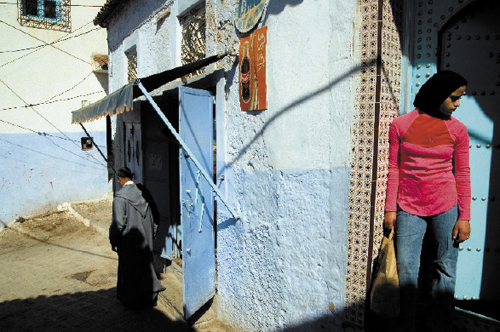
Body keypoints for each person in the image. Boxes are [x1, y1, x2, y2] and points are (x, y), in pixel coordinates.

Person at [384, 71, 471, 332]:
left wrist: (464, 216)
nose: (457, 104)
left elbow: (463, 173)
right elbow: (394, 168)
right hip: (409, 208)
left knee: (445, 269)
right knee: (407, 272)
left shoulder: (458, 130)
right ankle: (407, 325)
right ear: (437, 94)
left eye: (460, 99)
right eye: (454, 98)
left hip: (446, 206)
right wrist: (391, 209)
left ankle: (440, 326)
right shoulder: (400, 125)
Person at [109, 167, 165, 308]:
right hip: (146, 237)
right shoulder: (143, 192)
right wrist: (153, 232)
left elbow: (118, 224)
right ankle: (149, 297)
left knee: (130, 270)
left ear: (120, 179)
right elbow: (155, 214)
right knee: (145, 267)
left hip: (129, 241)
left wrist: (113, 240)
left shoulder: (120, 198)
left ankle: (133, 301)